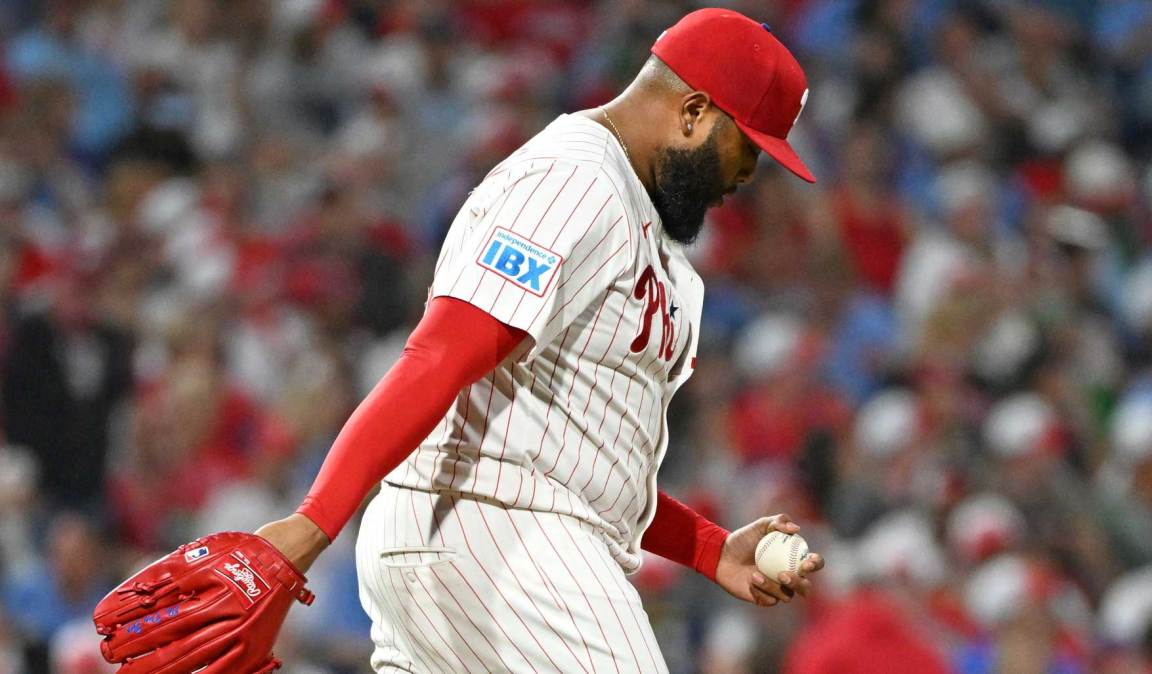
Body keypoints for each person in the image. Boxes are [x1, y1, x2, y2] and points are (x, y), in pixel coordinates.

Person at [108, 8, 828, 672]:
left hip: (497, 537)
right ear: (695, 112)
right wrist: (311, 525)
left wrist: (706, 549)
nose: (748, 173)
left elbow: (581, 460)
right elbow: (442, 354)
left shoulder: (646, 228)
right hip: (497, 532)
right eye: (749, 146)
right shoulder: (573, 179)